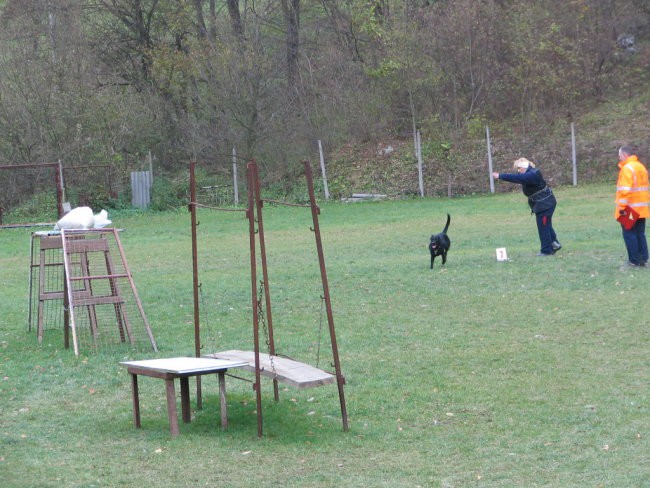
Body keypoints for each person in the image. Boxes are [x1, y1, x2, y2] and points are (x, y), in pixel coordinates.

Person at [492, 158, 561, 256]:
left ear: (524, 167)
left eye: (519, 168)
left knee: (543, 227)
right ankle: (554, 243)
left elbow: (517, 178)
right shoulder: (531, 173)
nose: (518, 171)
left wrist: (500, 176)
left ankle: (546, 250)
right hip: (544, 204)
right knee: (546, 225)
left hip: (545, 204)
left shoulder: (532, 174)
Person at [615, 145, 649, 267]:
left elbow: (625, 191)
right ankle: (643, 259)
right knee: (640, 233)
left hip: (629, 208)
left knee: (629, 234)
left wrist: (622, 209)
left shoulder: (627, 169)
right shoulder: (641, 167)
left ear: (625, 155)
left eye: (619, 156)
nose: (619, 158)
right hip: (641, 208)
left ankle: (634, 260)